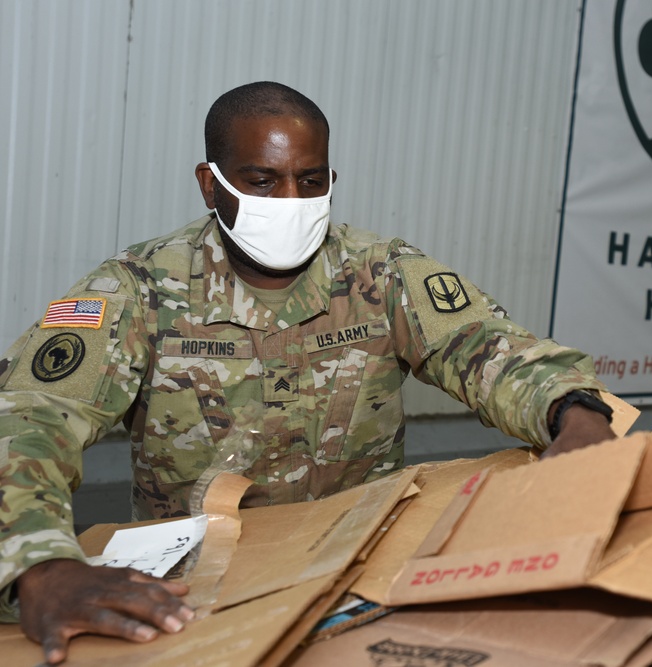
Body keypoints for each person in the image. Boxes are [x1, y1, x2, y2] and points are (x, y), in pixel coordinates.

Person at [0, 81, 617, 663]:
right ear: (210, 186)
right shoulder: (139, 290)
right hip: (195, 594)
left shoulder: (381, 273)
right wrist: (41, 565)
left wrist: (573, 411)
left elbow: (485, 346)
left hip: (357, 571)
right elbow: (29, 419)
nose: (290, 202)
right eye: (262, 181)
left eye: (309, 179)